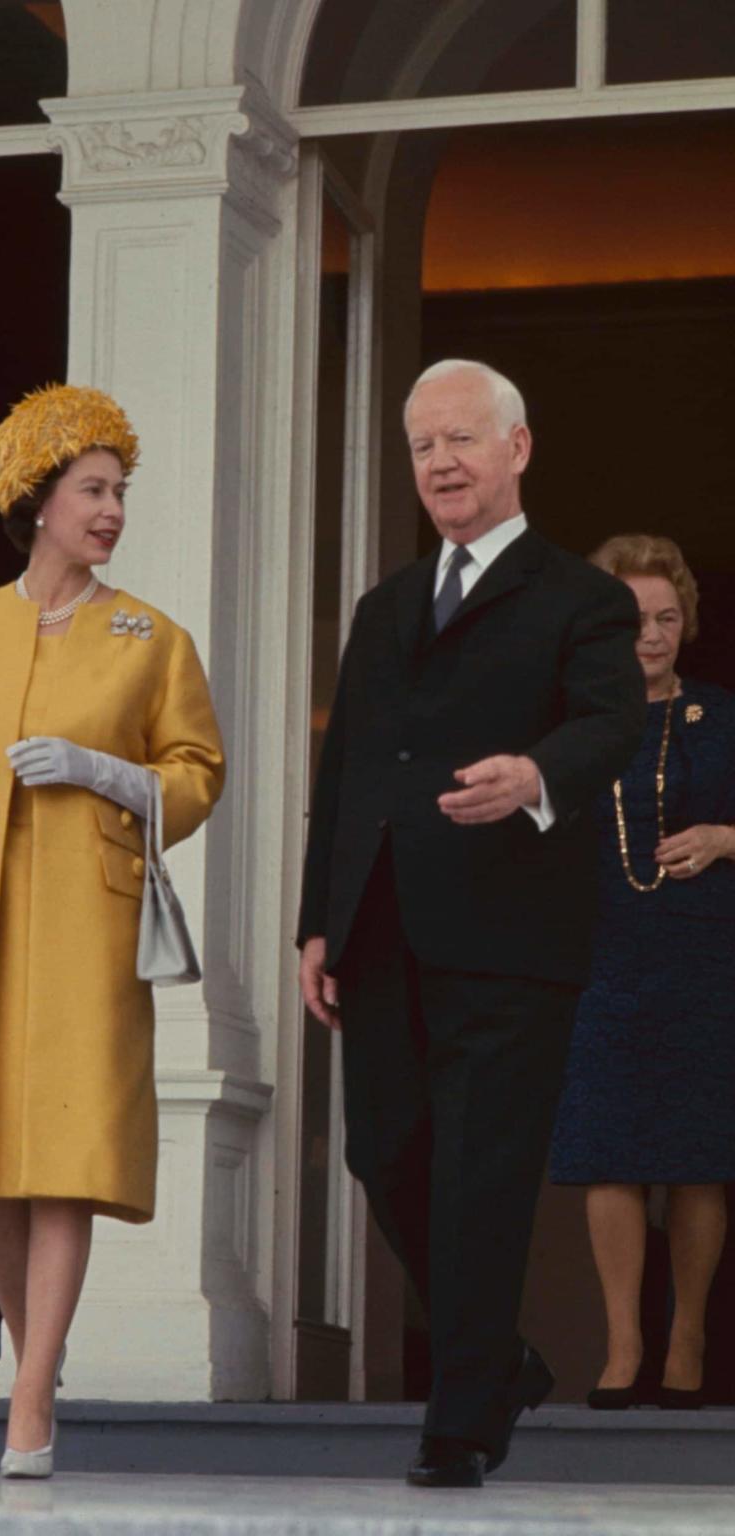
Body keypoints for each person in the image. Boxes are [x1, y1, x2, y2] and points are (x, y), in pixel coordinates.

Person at [0, 384, 225, 1478]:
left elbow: (198, 774)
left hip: (86, 917)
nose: (112, 510)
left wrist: (107, 772)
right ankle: (40, 1355)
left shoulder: (151, 637)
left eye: (120, 492)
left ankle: (29, 1394)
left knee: (64, 1153)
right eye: (93, 490)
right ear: (38, 500)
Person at [298, 358, 646, 1489]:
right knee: (383, 1152)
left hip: (510, 936)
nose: (441, 462)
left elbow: (610, 727)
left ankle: (459, 1423)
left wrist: (535, 777)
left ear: (518, 448)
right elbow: (344, 767)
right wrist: (318, 922)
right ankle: (497, 1360)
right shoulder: (386, 605)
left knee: (482, 1176)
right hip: (383, 931)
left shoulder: (581, 600)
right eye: (422, 447)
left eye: (461, 439)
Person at [551, 535, 735, 1410]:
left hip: (705, 953)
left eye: (666, 618)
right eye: (632, 619)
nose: (651, 635)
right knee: (609, 1152)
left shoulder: (724, 716)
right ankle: (624, 1342)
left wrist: (728, 838)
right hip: (603, 953)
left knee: (699, 1157)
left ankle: (688, 1333)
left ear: (685, 622)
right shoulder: (571, 723)